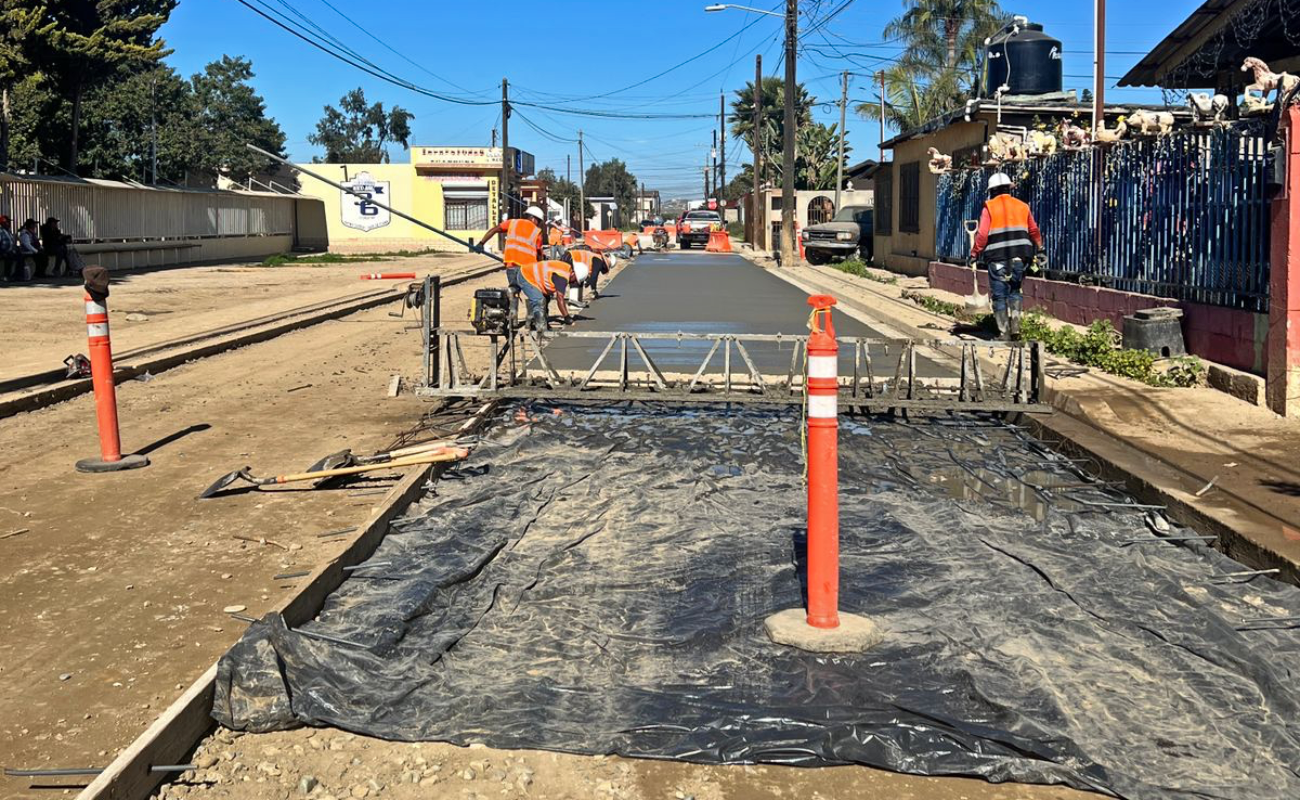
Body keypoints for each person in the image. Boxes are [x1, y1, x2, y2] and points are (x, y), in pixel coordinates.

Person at [969, 172, 1042, 340]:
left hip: (997, 258)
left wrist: (974, 253)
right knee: (1015, 291)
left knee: (999, 295)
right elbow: (1034, 230)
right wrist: (1041, 248)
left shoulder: (989, 207)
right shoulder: (1023, 206)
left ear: (992, 190)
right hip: (1021, 258)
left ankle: (1004, 333)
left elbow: (981, 235)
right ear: (1009, 189)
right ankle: (1015, 329)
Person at [476, 205, 546, 321]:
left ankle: (513, 318)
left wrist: (481, 243)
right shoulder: (537, 231)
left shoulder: (512, 223)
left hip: (511, 267)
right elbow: (538, 254)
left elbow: (494, 229)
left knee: (514, 291)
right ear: (534, 219)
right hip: (527, 269)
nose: (538, 224)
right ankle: (531, 318)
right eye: (538, 221)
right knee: (533, 294)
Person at [518, 259, 576, 334]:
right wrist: (567, 317)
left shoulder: (567, 269)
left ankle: (532, 323)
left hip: (533, 276)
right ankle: (542, 332)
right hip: (526, 276)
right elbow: (560, 298)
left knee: (546, 299)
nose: (574, 282)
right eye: (575, 280)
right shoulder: (562, 277)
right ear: (573, 274)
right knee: (539, 301)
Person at [0, 216, 18, 282]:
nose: (9, 224)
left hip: (10, 251)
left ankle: (17, 275)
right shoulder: (1, 231)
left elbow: (11, 242)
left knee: (20, 256)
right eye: (7, 222)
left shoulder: (9, 232)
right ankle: (6, 275)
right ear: (2, 223)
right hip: (3, 251)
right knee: (9, 257)